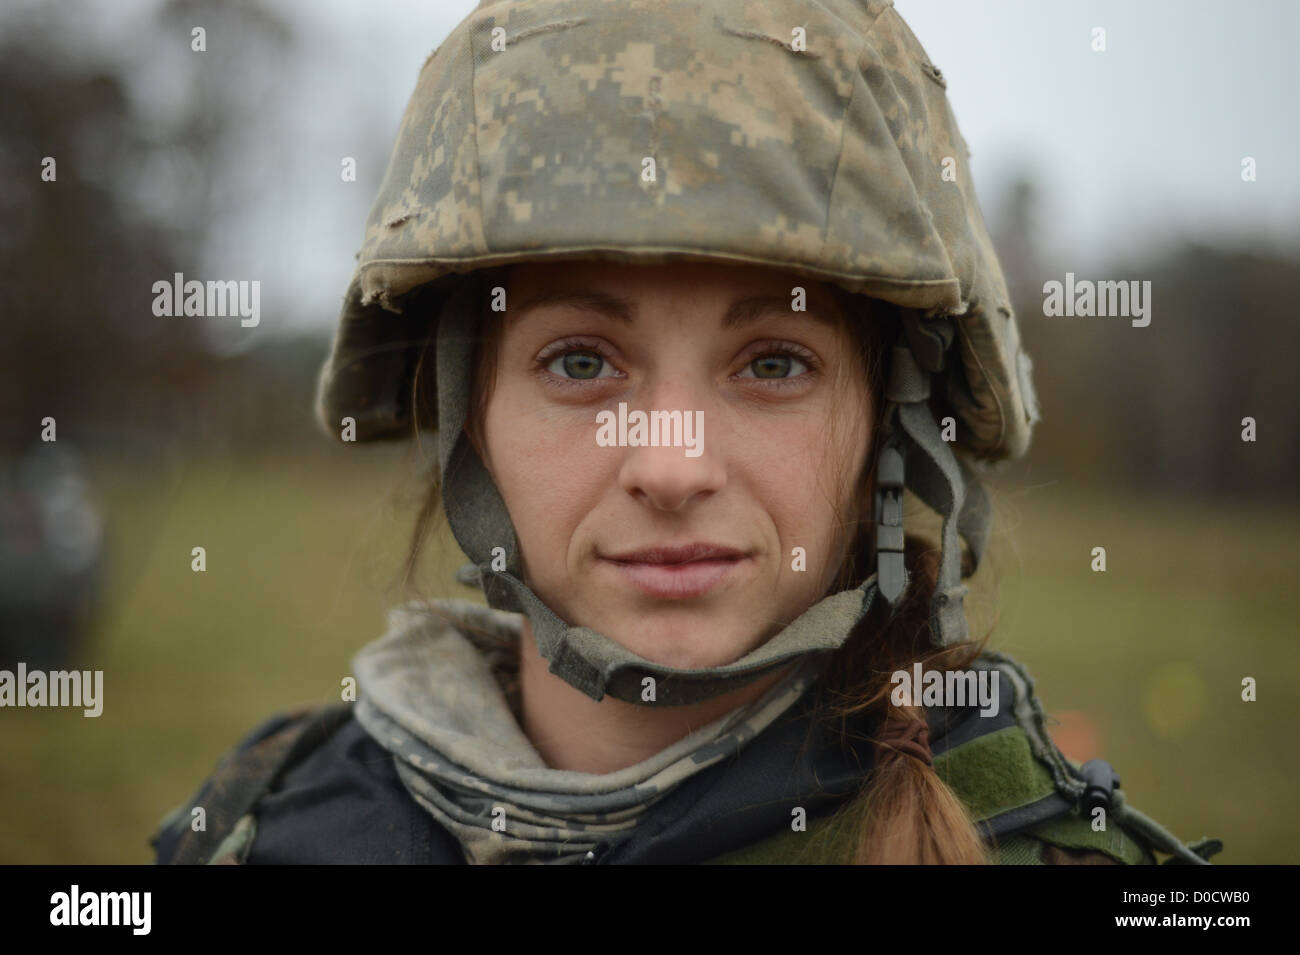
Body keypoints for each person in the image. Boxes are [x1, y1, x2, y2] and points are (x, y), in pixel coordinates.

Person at [152, 0, 1221, 865]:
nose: (672, 467)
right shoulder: (263, 826)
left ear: (890, 430)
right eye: (579, 362)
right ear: (465, 409)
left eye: (773, 363)